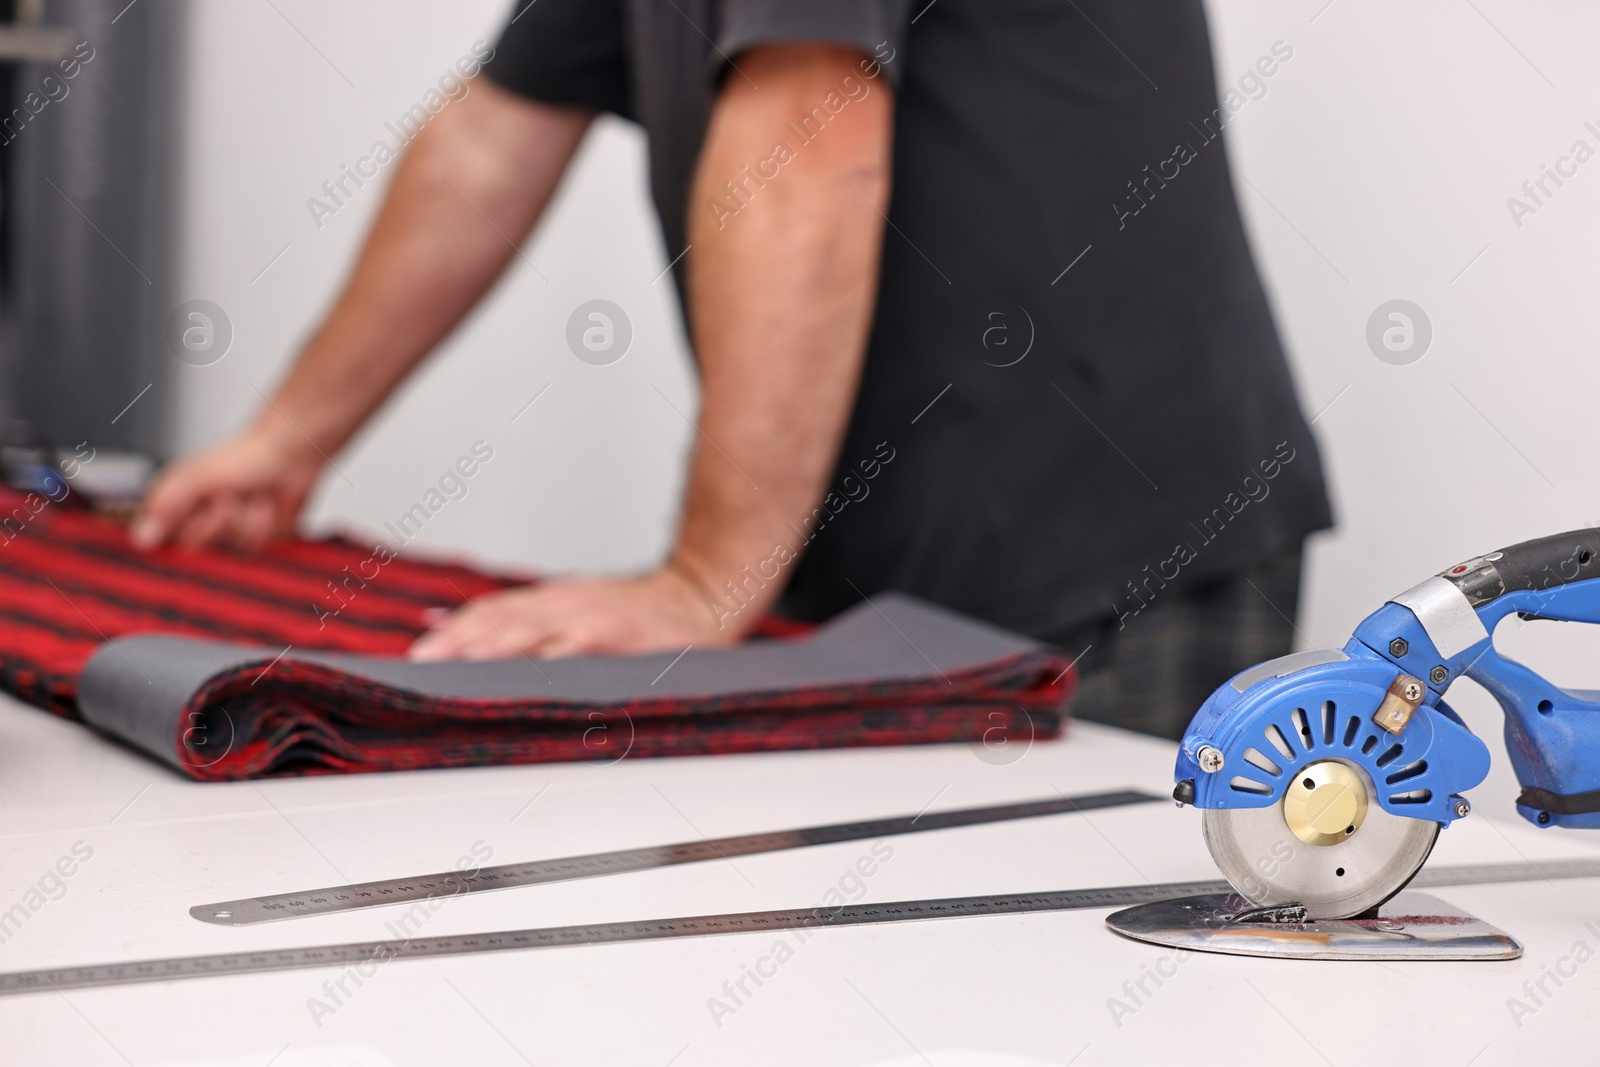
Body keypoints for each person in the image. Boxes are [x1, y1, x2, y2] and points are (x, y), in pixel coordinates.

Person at [132, 0, 1332, 739]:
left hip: (1097, 546)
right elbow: (498, 130)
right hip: (876, 554)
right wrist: (288, 440)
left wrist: (707, 579)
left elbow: (809, 132)